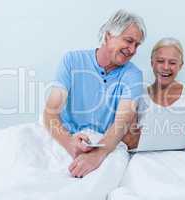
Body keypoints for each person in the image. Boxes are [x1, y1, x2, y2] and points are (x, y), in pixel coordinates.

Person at [43, 9, 146, 178]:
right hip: (66, 138)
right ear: (107, 36)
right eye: (129, 41)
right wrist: (69, 143)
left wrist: (97, 155)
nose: (133, 49)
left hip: (105, 144)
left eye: (137, 45)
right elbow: (50, 112)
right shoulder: (72, 61)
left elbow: (122, 121)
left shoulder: (133, 74)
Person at [123, 37, 185, 155]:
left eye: (172, 63)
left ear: (180, 65)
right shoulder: (138, 94)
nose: (166, 67)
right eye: (160, 61)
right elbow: (127, 141)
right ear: (152, 63)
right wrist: (134, 139)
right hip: (148, 159)